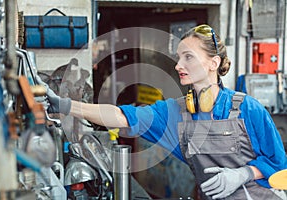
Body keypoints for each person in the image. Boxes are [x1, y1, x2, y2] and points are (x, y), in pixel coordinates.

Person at [36, 24, 287, 200]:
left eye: (188, 57)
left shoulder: (248, 109)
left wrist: (244, 174)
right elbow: (121, 116)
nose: (178, 65)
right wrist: (64, 105)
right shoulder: (175, 113)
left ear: (214, 63)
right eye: (179, 57)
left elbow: (281, 167)